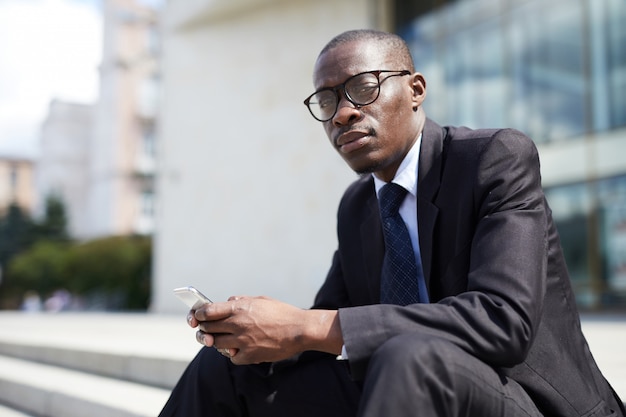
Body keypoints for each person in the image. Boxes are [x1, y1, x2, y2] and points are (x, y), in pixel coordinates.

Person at [159, 29, 625, 417]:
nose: (343, 112)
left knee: (407, 354)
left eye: (363, 88)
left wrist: (305, 327)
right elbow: (328, 320)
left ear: (416, 89)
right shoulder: (358, 206)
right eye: (326, 100)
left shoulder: (494, 159)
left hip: (527, 402)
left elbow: (503, 322)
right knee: (224, 368)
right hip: (407, 392)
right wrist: (259, 330)